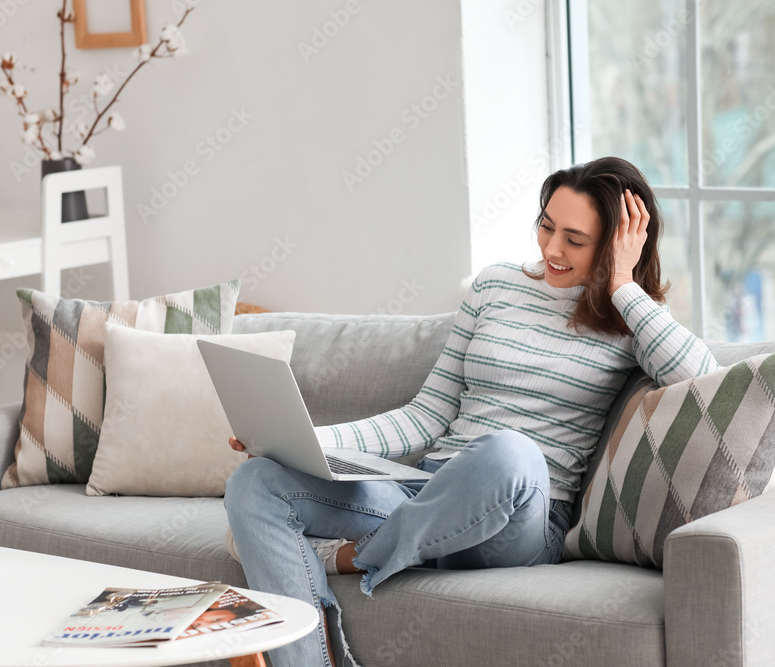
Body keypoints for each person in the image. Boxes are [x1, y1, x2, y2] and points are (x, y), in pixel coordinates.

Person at [224, 156, 720, 667]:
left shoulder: (631, 318)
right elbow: (425, 416)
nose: (552, 249)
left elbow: (702, 378)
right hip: (427, 491)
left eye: (575, 239)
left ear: (619, 242)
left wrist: (621, 284)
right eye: (546, 227)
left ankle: (357, 558)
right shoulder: (495, 286)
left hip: (519, 518)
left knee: (510, 453)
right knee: (256, 483)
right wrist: (304, 439)